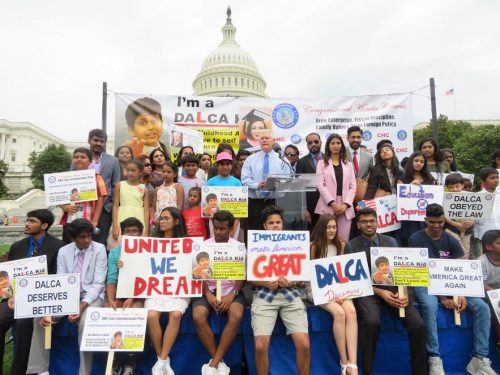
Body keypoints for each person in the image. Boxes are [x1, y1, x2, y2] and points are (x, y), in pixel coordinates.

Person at [410, 204, 496, 375]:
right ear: (425, 220)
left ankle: (480, 358)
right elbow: (421, 272)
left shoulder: (451, 240)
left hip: (451, 284)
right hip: (424, 281)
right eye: (432, 222)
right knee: (430, 305)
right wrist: (443, 297)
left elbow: (460, 269)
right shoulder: (415, 239)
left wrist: (460, 293)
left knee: (483, 307)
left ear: (444, 220)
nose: (436, 225)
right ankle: (434, 358)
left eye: (440, 222)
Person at [345, 207, 426, 375]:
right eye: (364, 222)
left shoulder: (391, 242)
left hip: (394, 289)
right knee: (371, 322)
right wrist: (381, 293)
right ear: (358, 225)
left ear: (377, 222)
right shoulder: (351, 245)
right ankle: (367, 371)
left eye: (371, 221)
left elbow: (402, 271)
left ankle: (420, 372)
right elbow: (355, 280)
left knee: (418, 325)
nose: (368, 224)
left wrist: (404, 293)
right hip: (368, 291)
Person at [29, 219, 107, 375]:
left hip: (91, 296)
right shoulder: (64, 251)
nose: (87, 240)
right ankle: (41, 370)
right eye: (82, 237)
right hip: (67, 295)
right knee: (40, 317)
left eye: (89, 236)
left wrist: (81, 306)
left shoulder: (99, 249)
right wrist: (62, 305)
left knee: (86, 323)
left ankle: (84, 372)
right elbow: (61, 282)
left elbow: (98, 283)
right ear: (73, 238)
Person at [0, 210, 64, 375]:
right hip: (14, 298)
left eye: (32, 221)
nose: (27, 224)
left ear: (44, 225)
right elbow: (9, 276)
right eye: (27, 220)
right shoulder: (17, 246)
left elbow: (58, 279)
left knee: (23, 322)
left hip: (39, 300)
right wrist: (10, 295)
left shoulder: (58, 247)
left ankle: (19, 371)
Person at [250, 205, 310, 375]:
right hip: (263, 296)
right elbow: (248, 278)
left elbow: (303, 274)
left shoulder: (295, 242)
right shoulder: (255, 243)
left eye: (278, 222)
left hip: (290, 295)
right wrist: (264, 283)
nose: (275, 225)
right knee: (260, 346)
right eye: (271, 223)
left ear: (282, 223)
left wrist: (293, 282)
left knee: (304, 344)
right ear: (264, 225)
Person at [192, 210, 245, 375]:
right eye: (215, 228)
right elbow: (197, 274)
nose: (218, 232)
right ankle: (218, 361)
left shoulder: (239, 247)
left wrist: (232, 294)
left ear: (231, 229)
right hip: (207, 289)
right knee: (198, 315)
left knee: (236, 315)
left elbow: (243, 275)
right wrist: (207, 294)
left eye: (222, 228)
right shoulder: (203, 246)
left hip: (231, 290)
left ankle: (213, 365)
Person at [305, 214, 358, 374]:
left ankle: (353, 365)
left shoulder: (341, 244)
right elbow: (312, 277)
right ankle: (344, 361)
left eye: (334, 227)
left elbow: (342, 272)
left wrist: (339, 292)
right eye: (328, 227)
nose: (332, 230)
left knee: (351, 311)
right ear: (321, 228)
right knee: (339, 313)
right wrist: (331, 293)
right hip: (316, 288)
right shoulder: (312, 246)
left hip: (339, 288)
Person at [145, 207, 190, 375]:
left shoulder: (188, 243)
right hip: (157, 288)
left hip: (178, 288)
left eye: (165, 218)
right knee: (151, 315)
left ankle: (162, 360)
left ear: (177, 221)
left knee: (176, 315)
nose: (161, 221)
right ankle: (161, 359)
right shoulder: (150, 243)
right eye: (160, 218)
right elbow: (140, 265)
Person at [107, 217, 145, 375]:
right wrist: (110, 300)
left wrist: (133, 297)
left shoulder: (147, 250)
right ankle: (113, 360)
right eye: (128, 231)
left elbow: (148, 278)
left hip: (139, 294)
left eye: (135, 231)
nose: (132, 234)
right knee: (111, 311)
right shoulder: (115, 253)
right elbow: (111, 279)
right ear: (122, 233)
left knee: (134, 312)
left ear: (141, 233)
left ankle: (130, 361)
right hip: (119, 294)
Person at [241, 129, 293, 230]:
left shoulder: (282, 159)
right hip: (255, 204)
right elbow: (244, 180)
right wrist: (257, 185)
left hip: (275, 203)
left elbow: (289, 179)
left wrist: (277, 184)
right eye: (262, 138)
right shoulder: (250, 159)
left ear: (273, 140)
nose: (264, 140)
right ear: (259, 141)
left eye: (267, 138)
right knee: (254, 233)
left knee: (273, 235)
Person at [82, 129, 121, 245]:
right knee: (81, 239)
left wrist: (111, 205)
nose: (98, 143)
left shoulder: (113, 161)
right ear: (89, 141)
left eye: (102, 141)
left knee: (100, 241)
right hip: (83, 207)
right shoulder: (79, 159)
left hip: (104, 208)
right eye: (95, 140)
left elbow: (116, 185)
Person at [315, 133, 357, 241]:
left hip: (345, 206)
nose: (335, 145)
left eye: (338, 143)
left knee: (343, 240)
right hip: (327, 204)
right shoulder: (321, 163)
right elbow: (320, 184)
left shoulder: (349, 164)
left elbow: (353, 186)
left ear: (342, 145)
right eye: (332, 143)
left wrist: (346, 204)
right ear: (328, 146)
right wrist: (333, 203)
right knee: (326, 240)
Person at [62, 147, 108, 243]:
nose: (79, 159)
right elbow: (57, 196)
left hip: (88, 219)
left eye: (83, 157)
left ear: (90, 161)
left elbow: (101, 198)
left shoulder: (97, 177)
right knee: (69, 245)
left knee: (86, 244)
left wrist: (95, 221)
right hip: (70, 220)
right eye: (76, 157)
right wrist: (63, 206)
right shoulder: (65, 178)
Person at [397, 151, 436, 246]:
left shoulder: (430, 180)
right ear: (411, 162)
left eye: (422, 161)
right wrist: (410, 186)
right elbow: (399, 199)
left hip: (426, 218)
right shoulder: (402, 178)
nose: (419, 163)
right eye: (416, 160)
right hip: (409, 219)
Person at [112, 159, 149, 241]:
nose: (130, 173)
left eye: (133, 170)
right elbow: (115, 206)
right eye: (128, 170)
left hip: (139, 217)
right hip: (122, 216)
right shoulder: (119, 185)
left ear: (140, 172)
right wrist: (115, 226)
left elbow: (146, 210)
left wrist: (146, 228)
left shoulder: (144, 189)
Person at [295, 132, 323, 230]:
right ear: (307, 145)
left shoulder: (329, 159)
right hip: (311, 207)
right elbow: (299, 187)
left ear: (321, 142)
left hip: (329, 204)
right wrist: (303, 208)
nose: (313, 144)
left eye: (316, 141)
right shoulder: (301, 162)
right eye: (310, 143)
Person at [444, 173, 474, 259]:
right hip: (452, 229)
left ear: (462, 185)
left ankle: (464, 269)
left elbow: (478, 213)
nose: (454, 189)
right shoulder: (445, 197)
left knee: (465, 250)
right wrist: (457, 225)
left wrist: (472, 222)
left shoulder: (470, 197)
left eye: (457, 186)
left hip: (467, 230)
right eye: (451, 187)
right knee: (453, 248)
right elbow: (445, 216)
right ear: (447, 187)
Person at [480, 230, 500, 355]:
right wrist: (496, 293)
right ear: (488, 247)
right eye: (499, 243)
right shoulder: (481, 262)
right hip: (486, 292)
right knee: (496, 306)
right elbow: (482, 285)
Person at [474, 167, 500, 255]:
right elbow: (474, 219)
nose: (496, 180)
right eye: (492, 178)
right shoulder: (476, 197)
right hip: (484, 237)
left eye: (497, 177)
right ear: (483, 181)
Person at [151, 161, 184, 230]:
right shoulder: (157, 189)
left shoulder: (178, 187)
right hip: (158, 222)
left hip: (172, 222)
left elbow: (180, 206)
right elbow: (153, 208)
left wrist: (173, 220)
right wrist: (153, 220)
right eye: (164, 171)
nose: (165, 174)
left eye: (169, 172)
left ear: (175, 174)